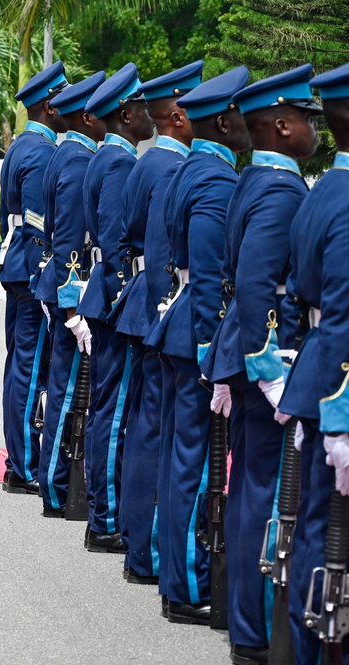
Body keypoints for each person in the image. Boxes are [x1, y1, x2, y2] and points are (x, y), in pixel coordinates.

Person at [201, 64, 319, 662]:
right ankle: (255, 631)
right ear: (283, 126)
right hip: (269, 360)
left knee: (249, 485)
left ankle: (244, 623)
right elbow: (256, 285)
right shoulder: (280, 190)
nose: (316, 129)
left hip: (245, 353)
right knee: (268, 494)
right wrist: (272, 370)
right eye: (307, 119)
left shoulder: (254, 179)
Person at [148, 65, 252, 627]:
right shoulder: (215, 180)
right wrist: (216, 354)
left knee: (179, 456)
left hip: (181, 327)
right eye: (241, 113)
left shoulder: (194, 168)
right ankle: (187, 584)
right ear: (225, 122)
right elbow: (211, 277)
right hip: (197, 336)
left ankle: (176, 576)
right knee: (192, 461)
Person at [112, 60, 201, 589]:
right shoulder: (170, 167)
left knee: (146, 427)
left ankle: (137, 539)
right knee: (153, 431)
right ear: (179, 115)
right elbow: (167, 253)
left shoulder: (148, 162)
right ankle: (144, 548)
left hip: (145, 303)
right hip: (161, 306)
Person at [276, 61, 349, 665]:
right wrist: (342, 414)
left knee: (317, 533)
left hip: (319, 371)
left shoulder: (323, 190)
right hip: (339, 382)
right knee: (329, 541)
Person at [77, 63, 154, 553]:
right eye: (143, 108)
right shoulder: (120, 163)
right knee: (114, 407)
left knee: (108, 405)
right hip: (115, 300)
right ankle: (104, 518)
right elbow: (114, 239)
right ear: (126, 115)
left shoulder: (106, 157)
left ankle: (105, 512)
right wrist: (128, 297)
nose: (150, 115)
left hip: (105, 295)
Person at [0, 61, 68, 497]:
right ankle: (25, 464)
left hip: (17, 264)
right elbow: (38, 224)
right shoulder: (40, 152)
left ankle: (19, 460)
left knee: (22, 364)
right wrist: (44, 276)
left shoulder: (25, 145)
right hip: (31, 270)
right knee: (30, 369)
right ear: (50, 106)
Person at [34, 70, 106, 517]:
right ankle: (58, 488)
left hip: (59, 285)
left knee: (63, 385)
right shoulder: (79, 160)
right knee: (66, 393)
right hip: (69, 289)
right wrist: (73, 306)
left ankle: (54, 483)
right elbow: (71, 243)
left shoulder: (68, 152)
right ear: (86, 117)